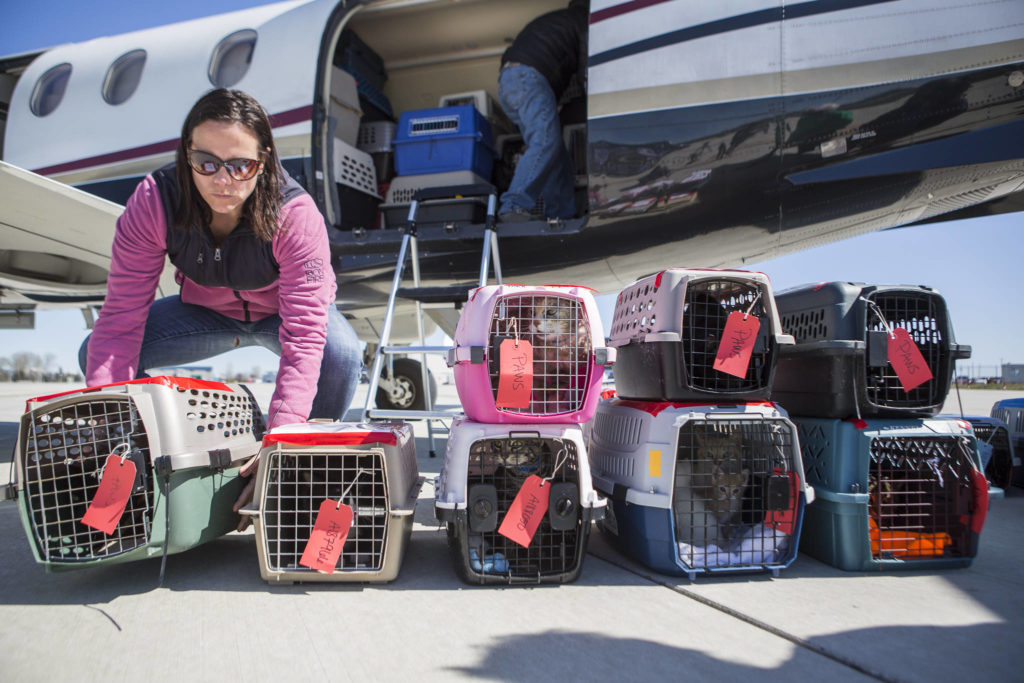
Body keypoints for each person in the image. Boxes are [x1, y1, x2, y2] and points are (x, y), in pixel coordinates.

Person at [79, 89, 362, 524]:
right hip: (203, 313)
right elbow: (120, 319)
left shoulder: (296, 214)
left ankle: (294, 465)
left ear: (264, 160)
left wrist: (279, 440)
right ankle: (136, 460)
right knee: (93, 351)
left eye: (241, 166)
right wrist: (103, 427)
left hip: (280, 314)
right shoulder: (155, 201)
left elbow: (305, 336)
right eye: (206, 163)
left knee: (340, 353)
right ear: (185, 153)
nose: (223, 181)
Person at [497, 0, 588, 223]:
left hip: (511, 82)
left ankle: (561, 216)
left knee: (555, 153)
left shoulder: (557, 22)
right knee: (546, 141)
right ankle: (514, 205)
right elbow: (587, 72)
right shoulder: (583, 22)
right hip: (528, 79)